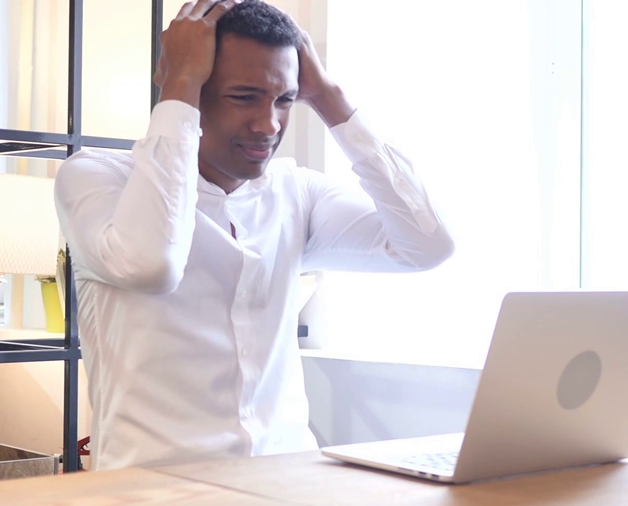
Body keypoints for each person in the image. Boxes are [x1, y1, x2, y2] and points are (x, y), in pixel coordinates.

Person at [54, 0, 453, 471]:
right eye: (244, 97)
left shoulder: (295, 192)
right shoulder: (96, 179)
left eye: (284, 99)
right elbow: (152, 264)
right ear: (189, 89)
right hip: (154, 489)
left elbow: (426, 245)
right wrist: (178, 83)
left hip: (291, 479)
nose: (269, 125)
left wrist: (329, 97)